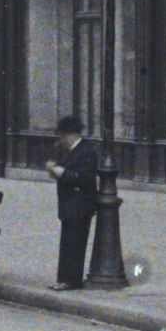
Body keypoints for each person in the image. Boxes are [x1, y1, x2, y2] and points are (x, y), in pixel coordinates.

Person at [45, 114, 101, 291]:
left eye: (62, 136)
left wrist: (60, 172)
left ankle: (71, 280)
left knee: (75, 243)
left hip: (80, 205)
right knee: (67, 242)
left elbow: (84, 179)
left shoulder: (86, 152)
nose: (61, 140)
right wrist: (55, 171)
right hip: (69, 204)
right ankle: (63, 278)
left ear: (71, 135)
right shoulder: (71, 152)